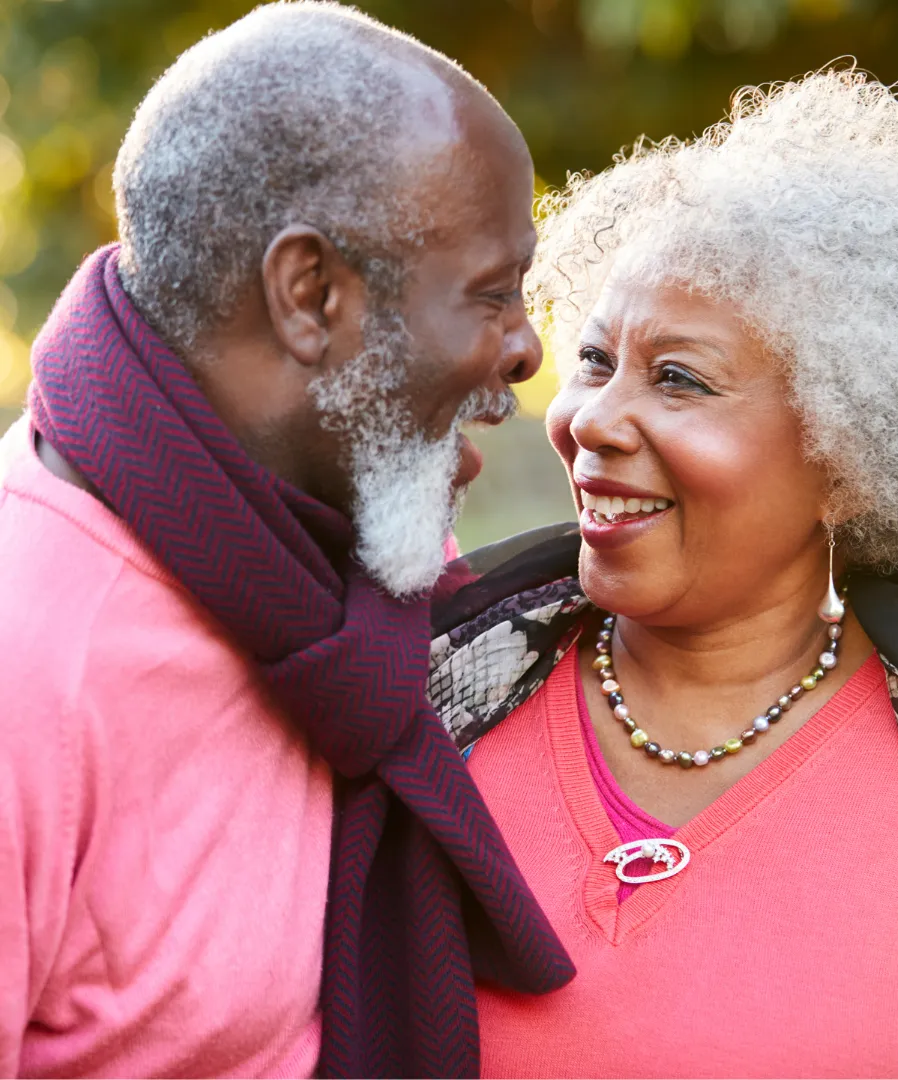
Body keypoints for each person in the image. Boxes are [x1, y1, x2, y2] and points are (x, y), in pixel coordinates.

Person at [426, 70, 898, 1078]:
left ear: (852, 460)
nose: (591, 420)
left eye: (678, 378)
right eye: (595, 360)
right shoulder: (431, 686)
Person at [0, 4, 573, 1077]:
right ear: (311, 296)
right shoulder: (29, 662)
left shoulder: (332, 576)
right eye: (489, 296)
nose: (526, 348)